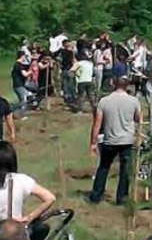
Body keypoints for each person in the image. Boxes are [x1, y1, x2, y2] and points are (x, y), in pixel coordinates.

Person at [88, 77, 141, 205]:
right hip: (127, 140)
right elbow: (138, 119)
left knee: (104, 167)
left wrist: (93, 142)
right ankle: (121, 198)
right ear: (127, 86)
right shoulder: (134, 101)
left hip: (109, 140)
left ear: (113, 84)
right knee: (125, 170)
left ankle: (96, 196)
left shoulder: (104, 101)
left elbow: (97, 123)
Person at [59, 40, 76, 108]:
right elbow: (72, 61)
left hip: (63, 70)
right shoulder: (71, 53)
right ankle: (71, 99)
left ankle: (66, 99)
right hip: (70, 70)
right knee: (71, 85)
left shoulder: (62, 52)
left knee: (65, 85)